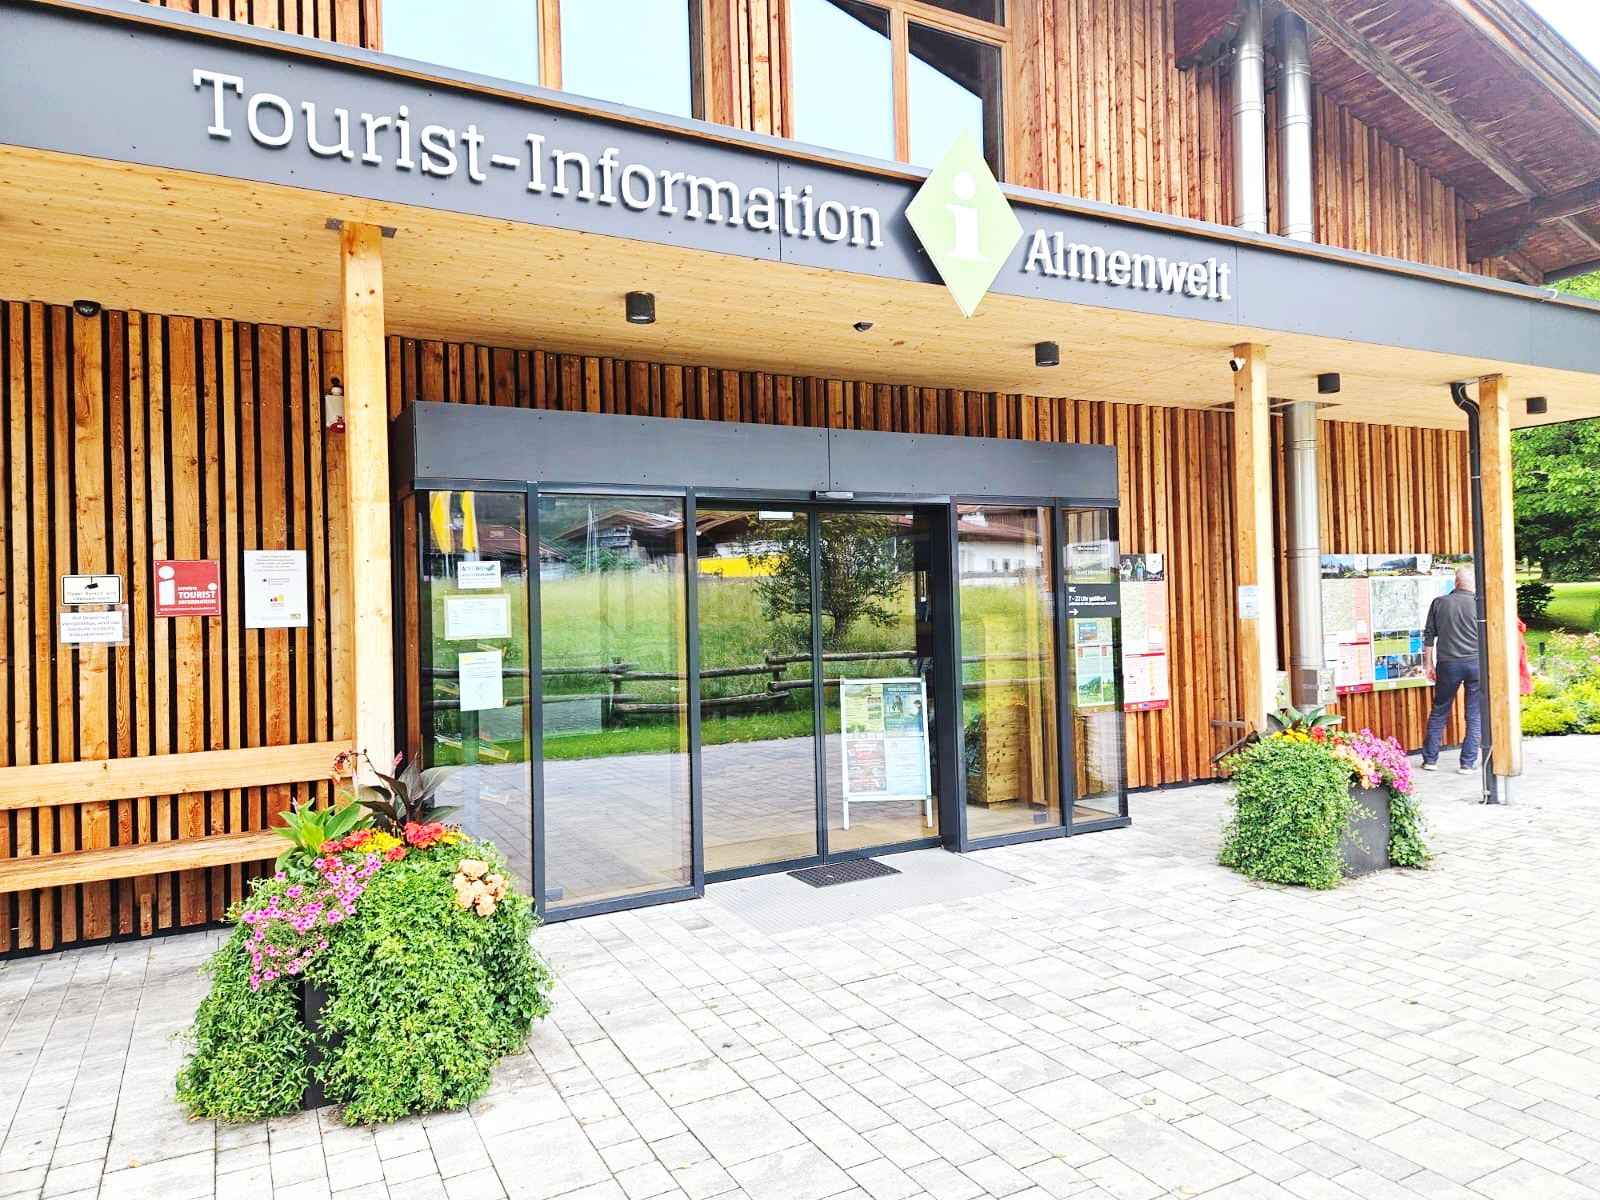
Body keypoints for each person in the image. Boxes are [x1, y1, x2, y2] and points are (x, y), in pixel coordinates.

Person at [1422, 564, 1480, 773]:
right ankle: (1467, 763)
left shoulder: (1439, 603)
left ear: (1456, 582)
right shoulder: (1480, 604)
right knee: (1474, 715)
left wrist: (1429, 664)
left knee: (1440, 710)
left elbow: (1429, 635)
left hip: (1448, 664)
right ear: (1474, 584)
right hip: (1476, 664)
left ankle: (1430, 760)